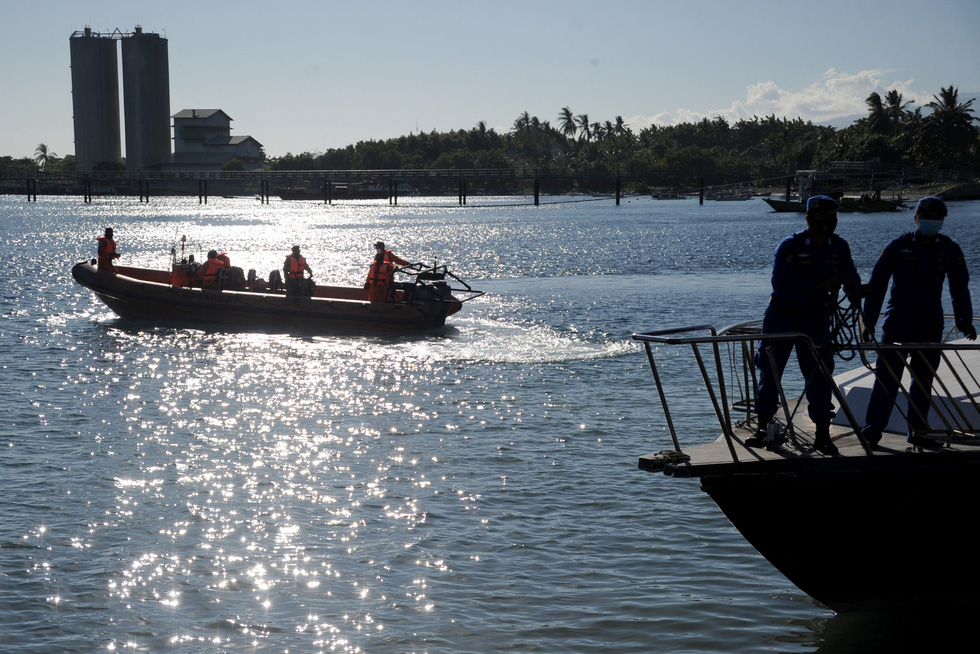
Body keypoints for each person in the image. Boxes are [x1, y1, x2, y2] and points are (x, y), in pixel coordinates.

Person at [746, 196, 860, 455]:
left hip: (816, 319)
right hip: (782, 317)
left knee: (820, 376)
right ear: (809, 219)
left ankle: (822, 434)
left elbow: (850, 273)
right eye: (822, 219)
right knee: (771, 372)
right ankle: (763, 426)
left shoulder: (839, 247)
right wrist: (818, 286)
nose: (828, 224)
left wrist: (856, 290)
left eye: (832, 219)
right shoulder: (791, 246)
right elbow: (781, 284)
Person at [861, 196, 976, 448]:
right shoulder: (897, 246)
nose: (931, 222)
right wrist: (867, 323)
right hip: (897, 323)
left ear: (943, 221)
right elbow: (877, 286)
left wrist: (964, 321)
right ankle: (871, 433)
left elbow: (959, 288)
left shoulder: (949, 249)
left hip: (930, 324)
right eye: (926, 217)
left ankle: (919, 433)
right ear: (915, 218)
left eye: (937, 218)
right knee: (886, 379)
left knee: (923, 382)